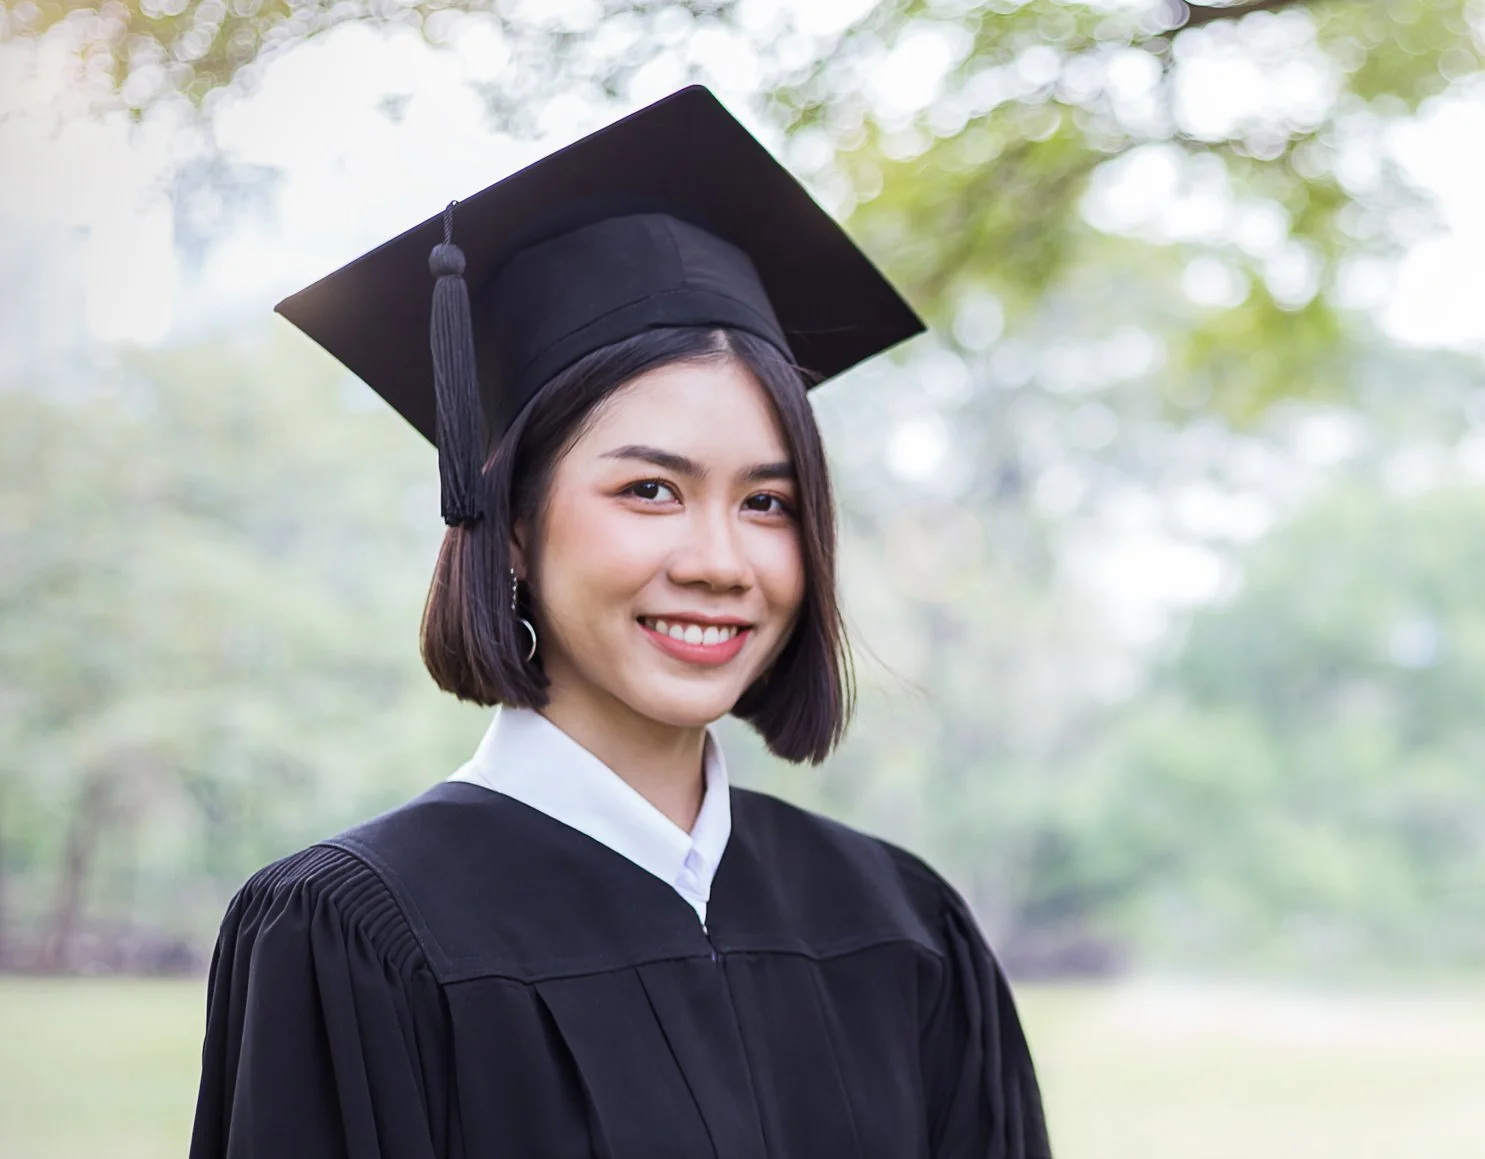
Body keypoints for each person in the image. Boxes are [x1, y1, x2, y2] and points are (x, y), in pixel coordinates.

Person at [188, 86, 1050, 1159]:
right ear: (506, 524)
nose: (719, 562)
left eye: (767, 502)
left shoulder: (902, 926)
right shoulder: (354, 935)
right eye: (649, 490)